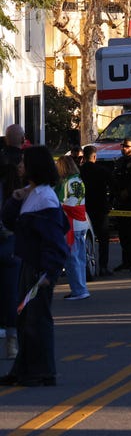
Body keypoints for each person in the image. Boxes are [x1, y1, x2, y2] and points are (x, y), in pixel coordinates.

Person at [0, 146, 69, 386]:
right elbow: (9, 219)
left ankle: (42, 371)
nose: (19, 166)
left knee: (37, 318)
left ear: (34, 167)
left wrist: (50, 271)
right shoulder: (33, 194)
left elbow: (55, 240)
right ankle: (24, 369)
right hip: (28, 264)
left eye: (23, 163)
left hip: (39, 269)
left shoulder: (45, 198)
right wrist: (16, 197)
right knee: (25, 316)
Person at [55, 156, 90, 300]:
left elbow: (61, 202)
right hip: (81, 221)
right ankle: (81, 287)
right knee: (80, 258)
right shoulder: (79, 180)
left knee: (72, 259)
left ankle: (78, 290)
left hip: (71, 224)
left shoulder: (66, 182)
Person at [0, 153, 22, 359]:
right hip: (12, 245)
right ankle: (12, 340)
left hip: (8, 242)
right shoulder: (19, 191)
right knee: (11, 294)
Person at [80, 145, 113, 277]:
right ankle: (103, 266)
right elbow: (113, 185)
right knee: (103, 238)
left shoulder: (80, 171)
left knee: (85, 238)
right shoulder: (102, 171)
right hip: (100, 207)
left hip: (85, 207)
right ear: (94, 156)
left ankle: (85, 265)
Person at [111, 138, 131, 272]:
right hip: (120, 202)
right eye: (123, 146)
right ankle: (126, 261)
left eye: (127, 146)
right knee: (123, 234)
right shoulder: (119, 162)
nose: (125, 148)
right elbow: (115, 180)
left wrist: (128, 192)